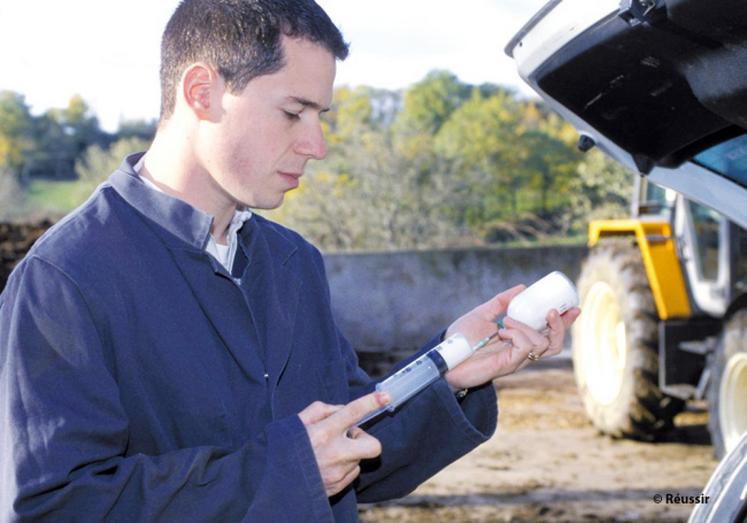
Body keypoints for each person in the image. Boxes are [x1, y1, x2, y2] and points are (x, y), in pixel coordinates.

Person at [0, 0, 580, 521]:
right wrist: (285, 473)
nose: (317, 145)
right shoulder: (63, 280)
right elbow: (55, 506)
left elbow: (354, 445)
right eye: (293, 112)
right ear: (202, 92)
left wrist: (449, 370)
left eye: (320, 115)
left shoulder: (292, 262)